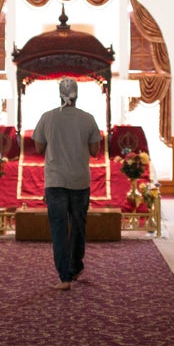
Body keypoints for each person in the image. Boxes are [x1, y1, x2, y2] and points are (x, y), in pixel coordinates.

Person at [33, 77, 102, 291]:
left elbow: (38, 148)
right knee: (79, 226)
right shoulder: (88, 119)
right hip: (80, 180)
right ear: (77, 95)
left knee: (59, 229)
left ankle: (64, 277)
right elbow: (94, 151)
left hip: (55, 181)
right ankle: (76, 265)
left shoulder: (47, 117)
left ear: (59, 94)